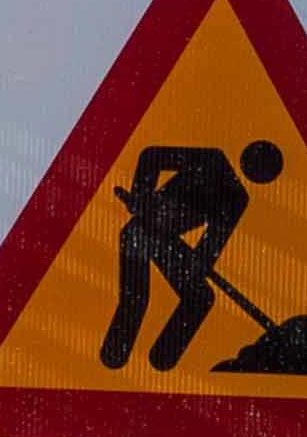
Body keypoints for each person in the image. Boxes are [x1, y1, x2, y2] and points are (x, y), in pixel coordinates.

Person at [104, 138, 284, 372]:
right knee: (136, 298)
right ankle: (114, 357)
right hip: (139, 232)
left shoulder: (237, 200)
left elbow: (210, 247)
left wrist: (199, 262)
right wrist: (142, 195)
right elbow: (151, 156)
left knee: (200, 297)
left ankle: (162, 361)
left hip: (167, 244)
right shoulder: (211, 160)